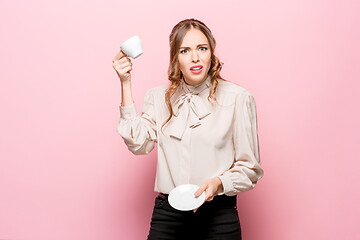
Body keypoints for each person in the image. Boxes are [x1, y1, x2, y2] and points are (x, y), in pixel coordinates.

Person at [112, 18, 264, 240]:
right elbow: (139, 145)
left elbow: (250, 167)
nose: (195, 58)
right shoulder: (157, 97)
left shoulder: (238, 98)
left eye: (202, 48)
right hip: (168, 215)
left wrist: (218, 183)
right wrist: (125, 82)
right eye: (185, 50)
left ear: (211, 53)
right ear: (175, 58)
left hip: (218, 215)